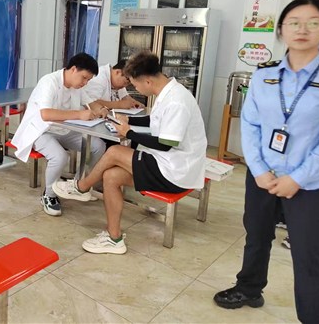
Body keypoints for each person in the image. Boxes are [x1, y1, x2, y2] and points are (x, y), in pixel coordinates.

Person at [214, 0, 319, 324]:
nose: (302, 30)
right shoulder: (265, 75)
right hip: (263, 177)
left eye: (313, 23)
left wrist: (298, 178)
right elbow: (250, 124)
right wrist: (258, 169)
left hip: (312, 184)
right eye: (294, 22)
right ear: (281, 29)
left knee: (308, 255)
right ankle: (249, 288)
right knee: (257, 236)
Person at [53, 51, 207, 254]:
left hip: (175, 170)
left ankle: (81, 187)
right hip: (166, 163)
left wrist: (129, 133)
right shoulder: (167, 92)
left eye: (135, 84)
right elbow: (155, 120)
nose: (135, 89)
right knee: (111, 176)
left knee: (115, 151)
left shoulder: (177, 101)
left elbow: (166, 144)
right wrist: (129, 120)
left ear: (148, 81)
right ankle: (114, 238)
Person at [11, 52, 106, 216]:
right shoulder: (49, 82)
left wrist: (102, 110)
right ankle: (49, 195)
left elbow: (91, 103)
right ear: (73, 69)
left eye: (88, 80)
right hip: (42, 131)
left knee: (98, 146)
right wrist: (79, 114)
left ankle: (77, 185)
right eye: (84, 78)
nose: (85, 83)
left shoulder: (77, 86)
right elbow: (46, 114)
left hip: (64, 130)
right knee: (60, 156)